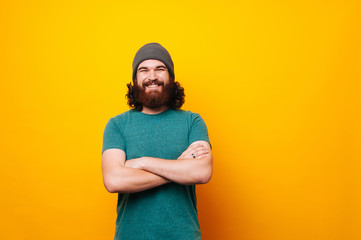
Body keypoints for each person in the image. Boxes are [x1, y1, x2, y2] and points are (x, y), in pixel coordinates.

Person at [102, 42, 213, 240]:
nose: (152, 76)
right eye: (143, 70)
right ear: (135, 79)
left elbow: (202, 172)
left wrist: (142, 162)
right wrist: (179, 168)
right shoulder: (117, 125)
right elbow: (114, 180)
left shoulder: (192, 122)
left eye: (160, 69)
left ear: (170, 77)